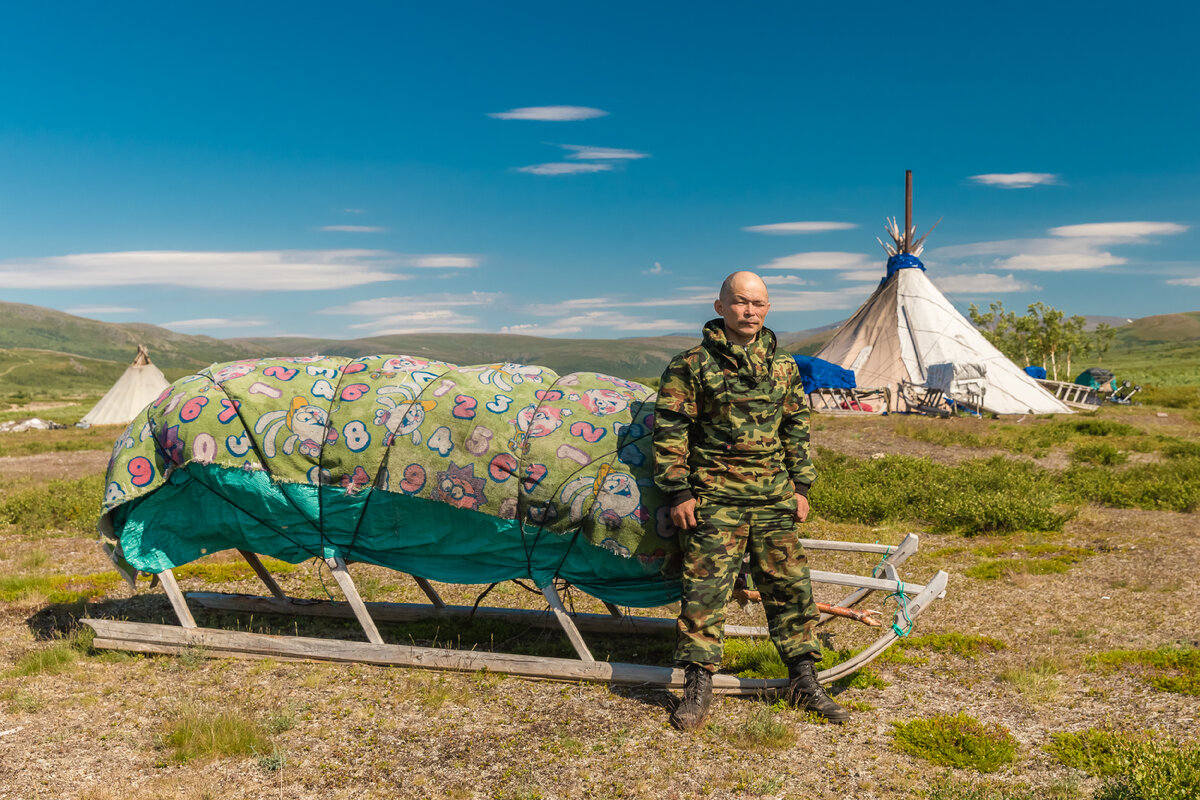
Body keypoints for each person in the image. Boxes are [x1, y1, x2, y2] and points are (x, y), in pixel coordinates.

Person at [653, 270, 848, 731]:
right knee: (705, 593)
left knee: (790, 589)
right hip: (715, 499)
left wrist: (801, 487)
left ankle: (804, 680)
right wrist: (679, 491)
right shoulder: (691, 365)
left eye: (758, 304)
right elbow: (669, 432)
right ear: (720, 306)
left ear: (767, 308)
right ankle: (697, 687)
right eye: (740, 302)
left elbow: (796, 430)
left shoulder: (783, 367)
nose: (750, 311)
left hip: (773, 498)